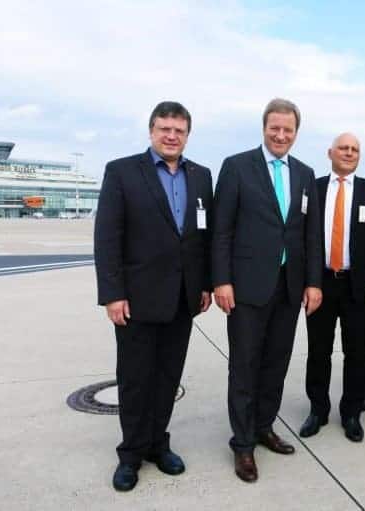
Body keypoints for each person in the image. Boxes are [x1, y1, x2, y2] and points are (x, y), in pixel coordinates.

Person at [94, 101, 213, 492]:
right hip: (137, 300)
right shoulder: (123, 171)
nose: (171, 136)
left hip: (183, 299)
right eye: (164, 128)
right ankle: (130, 454)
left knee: (167, 378)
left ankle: (158, 445)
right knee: (135, 379)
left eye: (179, 130)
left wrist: (206, 286)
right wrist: (113, 294)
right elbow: (107, 238)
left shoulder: (201, 176)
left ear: (187, 134)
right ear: (151, 131)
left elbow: (203, 239)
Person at [212, 98, 323, 483]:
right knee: (244, 365)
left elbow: (311, 234)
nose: (280, 135)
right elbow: (221, 229)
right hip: (246, 287)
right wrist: (221, 280)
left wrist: (313, 283)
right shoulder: (237, 166)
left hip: (289, 288)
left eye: (287, 130)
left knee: (276, 362)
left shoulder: (305, 174)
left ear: (296, 132)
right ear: (264, 128)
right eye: (274, 128)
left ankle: (262, 426)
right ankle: (242, 443)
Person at [299, 133, 365, 443]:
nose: (349, 153)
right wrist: (307, 282)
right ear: (330, 153)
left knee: (356, 352)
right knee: (319, 351)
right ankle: (318, 409)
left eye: (354, 149)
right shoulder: (314, 188)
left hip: (358, 287)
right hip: (321, 284)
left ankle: (351, 412)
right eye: (343, 148)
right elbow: (304, 238)